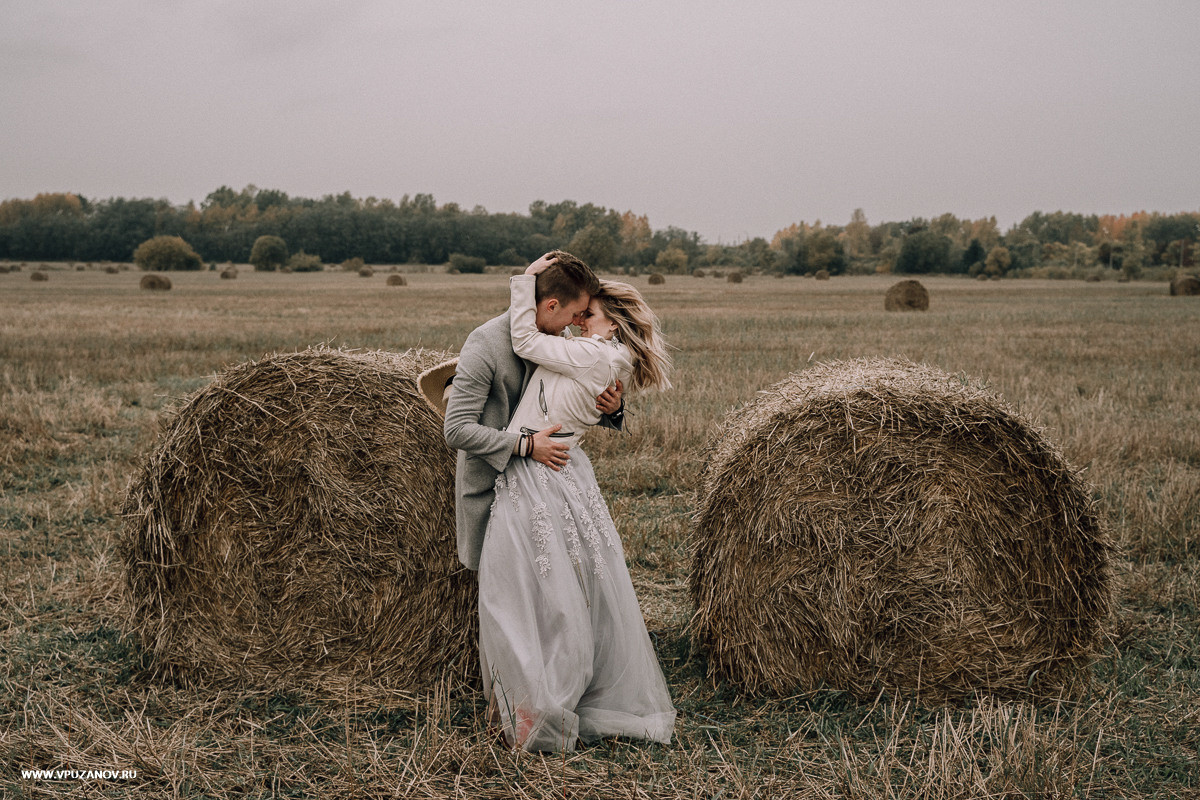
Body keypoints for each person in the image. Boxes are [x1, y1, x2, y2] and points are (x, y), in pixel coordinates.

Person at [476, 254, 676, 752]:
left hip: (537, 473)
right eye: (577, 313)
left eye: (588, 315)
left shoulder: (597, 356)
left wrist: (524, 279)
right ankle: (535, 700)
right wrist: (615, 407)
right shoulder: (597, 353)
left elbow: (524, 338)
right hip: (550, 471)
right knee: (549, 595)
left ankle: (542, 706)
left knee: (527, 599)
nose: (576, 322)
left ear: (614, 324)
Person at [442, 251, 624, 573]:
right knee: (505, 590)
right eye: (576, 313)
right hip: (492, 485)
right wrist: (526, 446)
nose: (579, 322)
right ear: (552, 305)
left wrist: (614, 408)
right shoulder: (485, 344)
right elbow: (456, 429)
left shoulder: (561, 337)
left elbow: (571, 397)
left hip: (546, 487)